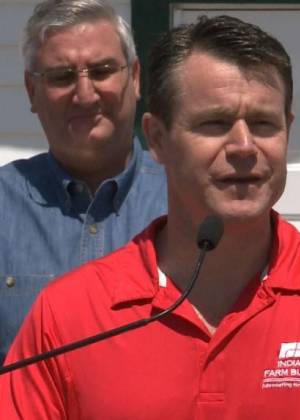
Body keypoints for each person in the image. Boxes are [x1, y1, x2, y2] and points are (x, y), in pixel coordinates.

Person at [0, 15, 300, 419]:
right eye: (215, 123)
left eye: (263, 124)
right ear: (158, 139)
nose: (243, 145)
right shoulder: (70, 313)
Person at [0, 0, 166, 363]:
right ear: (31, 91)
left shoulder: (187, 201)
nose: (86, 93)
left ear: (135, 78)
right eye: (61, 76)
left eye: (103, 70)